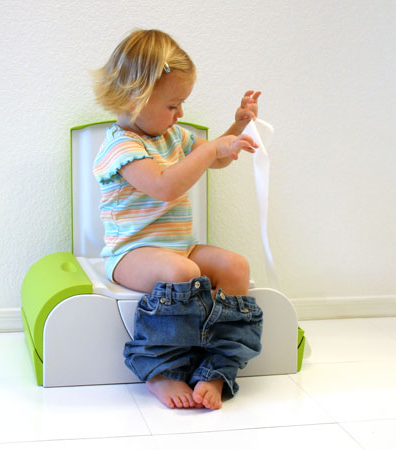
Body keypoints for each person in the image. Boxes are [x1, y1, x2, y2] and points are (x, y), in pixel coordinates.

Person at [92, 29, 263, 410]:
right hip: (131, 254)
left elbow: (217, 158)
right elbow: (164, 186)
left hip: (179, 247)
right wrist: (210, 150)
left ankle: (218, 367)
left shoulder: (173, 135)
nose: (181, 114)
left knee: (236, 266)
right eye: (173, 105)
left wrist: (237, 130)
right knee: (182, 272)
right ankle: (160, 369)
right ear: (136, 98)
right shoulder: (122, 146)